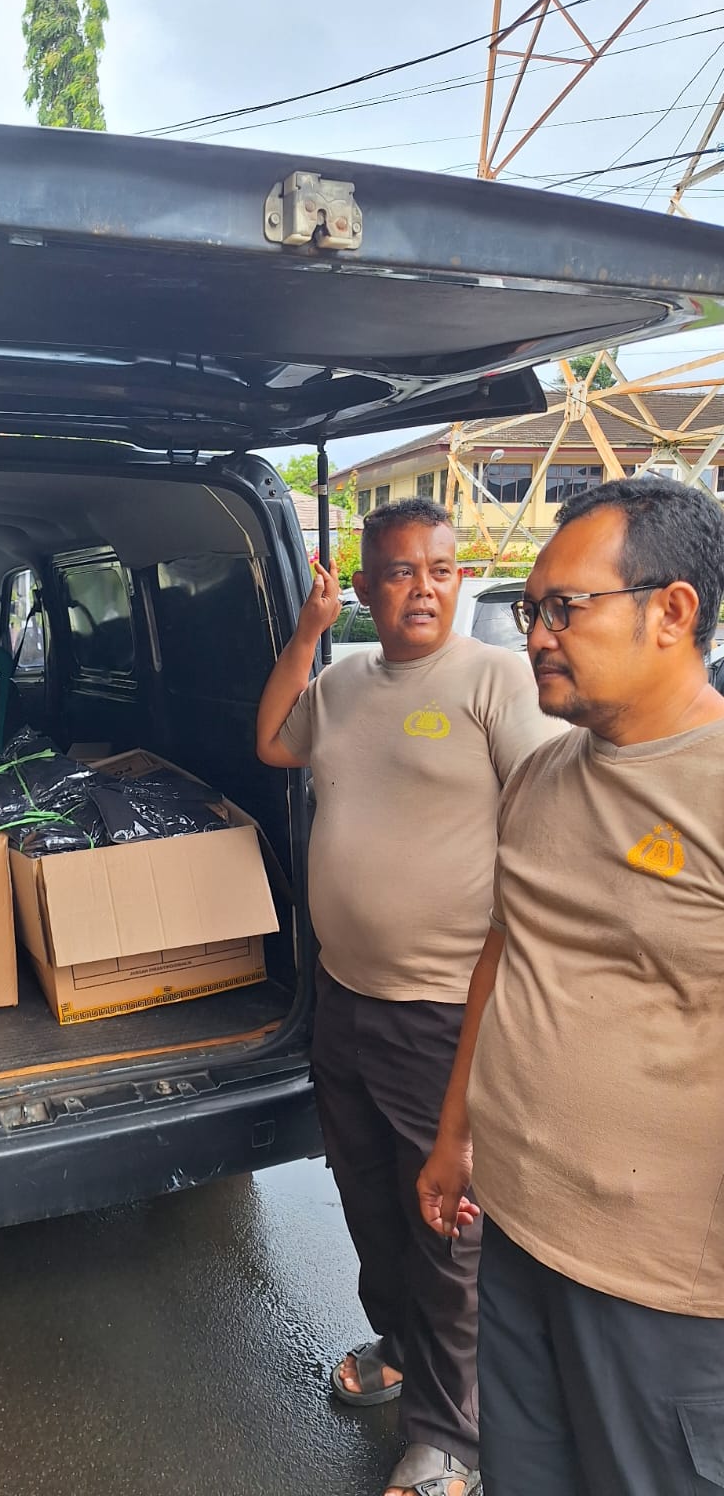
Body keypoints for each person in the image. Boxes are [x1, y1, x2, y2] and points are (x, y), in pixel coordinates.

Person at [417, 476, 724, 1496]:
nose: (537, 636)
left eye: (565, 607)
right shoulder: (542, 777)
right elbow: (504, 957)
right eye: (529, 610)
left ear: (671, 611)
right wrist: (455, 1134)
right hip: (516, 1230)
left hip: (661, 1288)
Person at [257, 497, 560, 1496]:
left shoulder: (493, 680)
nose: (423, 588)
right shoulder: (344, 682)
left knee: (445, 1227)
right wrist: (308, 632)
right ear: (365, 584)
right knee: (367, 1200)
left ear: (459, 577)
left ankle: (450, 1435)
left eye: (439, 569)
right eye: (399, 571)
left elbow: (549, 822)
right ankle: (397, 1345)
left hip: (441, 1011)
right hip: (343, 997)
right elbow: (274, 742)